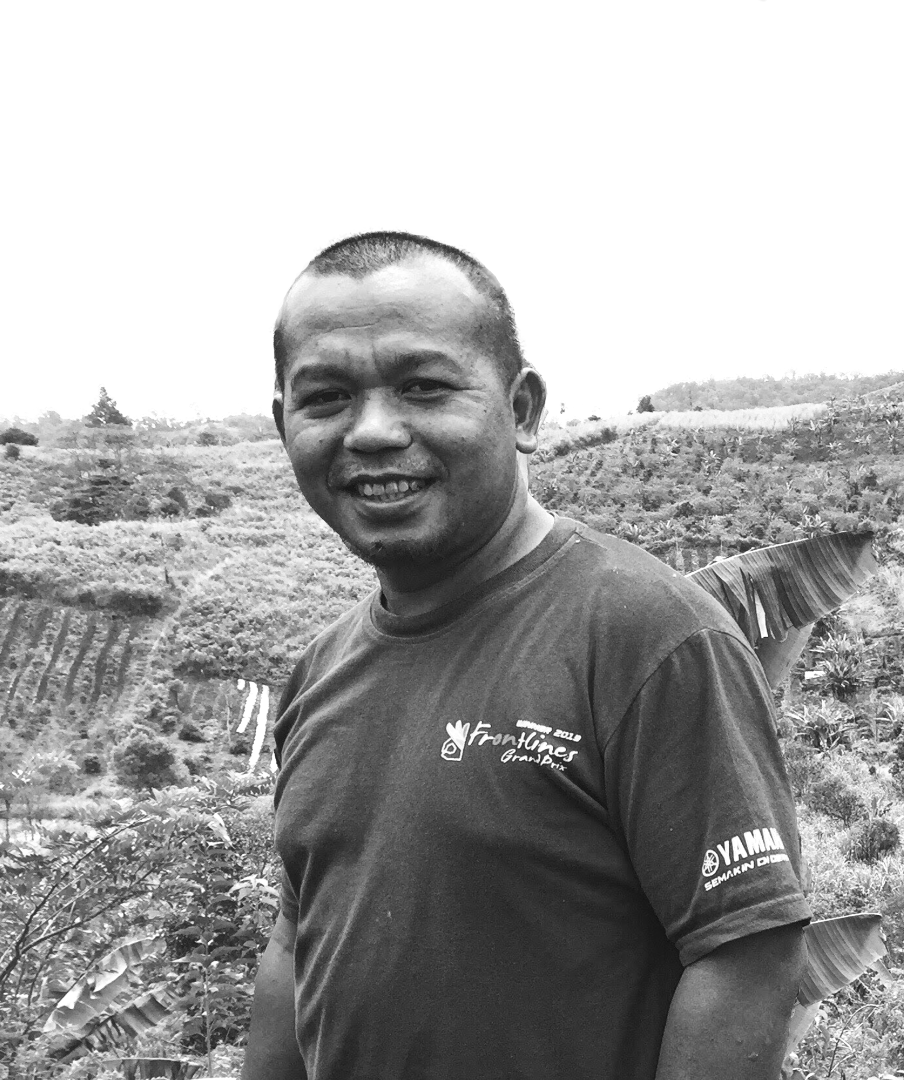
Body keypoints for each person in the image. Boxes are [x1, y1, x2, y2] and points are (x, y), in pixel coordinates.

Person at [244, 231, 811, 1080]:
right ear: (283, 421)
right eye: (325, 397)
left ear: (522, 410)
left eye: (423, 387)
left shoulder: (645, 636)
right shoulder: (319, 671)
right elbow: (299, 941)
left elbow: (746, 957)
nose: (372, 431)